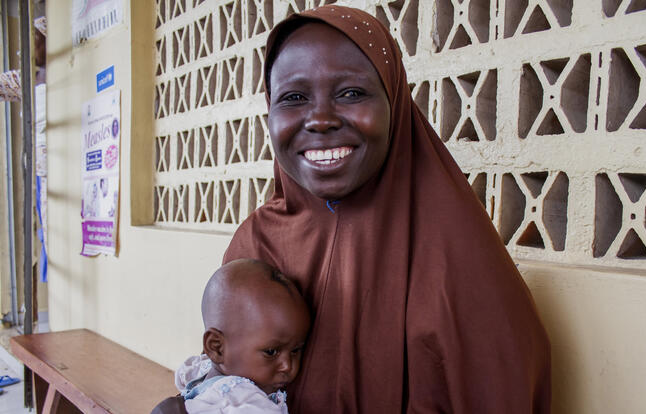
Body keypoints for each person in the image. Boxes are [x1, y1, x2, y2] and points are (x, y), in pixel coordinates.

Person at [220, 5, 552, 413]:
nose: (320, 119)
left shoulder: (456, 252)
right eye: (293, 97)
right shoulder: (256, 244)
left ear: (394, 102)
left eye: (351, 93)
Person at [172, 259, 310, 413]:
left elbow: (182, 376)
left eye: (295, 350)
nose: (288, 366)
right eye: (271, 352)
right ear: (217, 348)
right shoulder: (246, 401)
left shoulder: (201, 368)